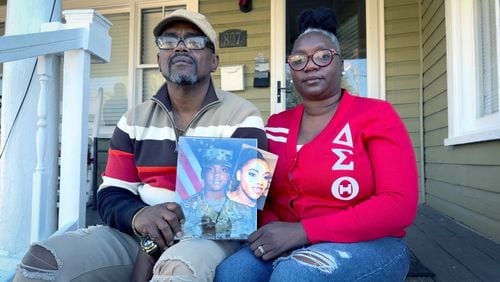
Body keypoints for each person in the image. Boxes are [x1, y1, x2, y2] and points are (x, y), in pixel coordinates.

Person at [14, 9, 267, 282]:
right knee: (43, 260)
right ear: (159, 60)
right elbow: (111, 193)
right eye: (169, 41)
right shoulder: (134, 120)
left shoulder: (241, 116)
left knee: (177, 268)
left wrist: (163, 237)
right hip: (138, 235)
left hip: (209, 238)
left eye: (194, 41)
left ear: (214, 60)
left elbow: (243, 203)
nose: (180, 47)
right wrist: (140, 215)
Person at [215, 7, 418, 282]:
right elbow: (263, 194)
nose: (310, 65)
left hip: (371, 243)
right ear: (291, 69)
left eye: (323, 56)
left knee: (295, 275)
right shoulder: (276, 124)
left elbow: (398, 205)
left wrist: (303, 231)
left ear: (341, 63)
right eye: (298, 59)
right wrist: (271, 226)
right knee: (232, 273)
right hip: (291, 241)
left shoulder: (375, 115)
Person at [180, 148, 255, 240]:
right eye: (210, 169)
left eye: (223, 170)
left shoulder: (244, 211)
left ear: (229, 175)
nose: (217, 174)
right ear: (202, 174)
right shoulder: (185, 208)